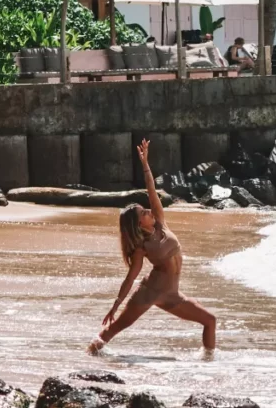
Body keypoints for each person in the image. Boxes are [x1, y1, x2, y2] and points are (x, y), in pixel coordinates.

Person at [88, 139, 217, 356]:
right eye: (143, 213)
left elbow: (151, 190)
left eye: (146, 210)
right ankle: (87, 356)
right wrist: (115, 305)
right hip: (149, 293)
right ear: (139, 224)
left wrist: (145, 163)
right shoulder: (142, 247)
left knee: (210, 321)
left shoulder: (161, 223)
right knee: (113, 330)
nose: (148, 211)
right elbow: (131, 277)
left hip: (172, 295)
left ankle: (209, 362)